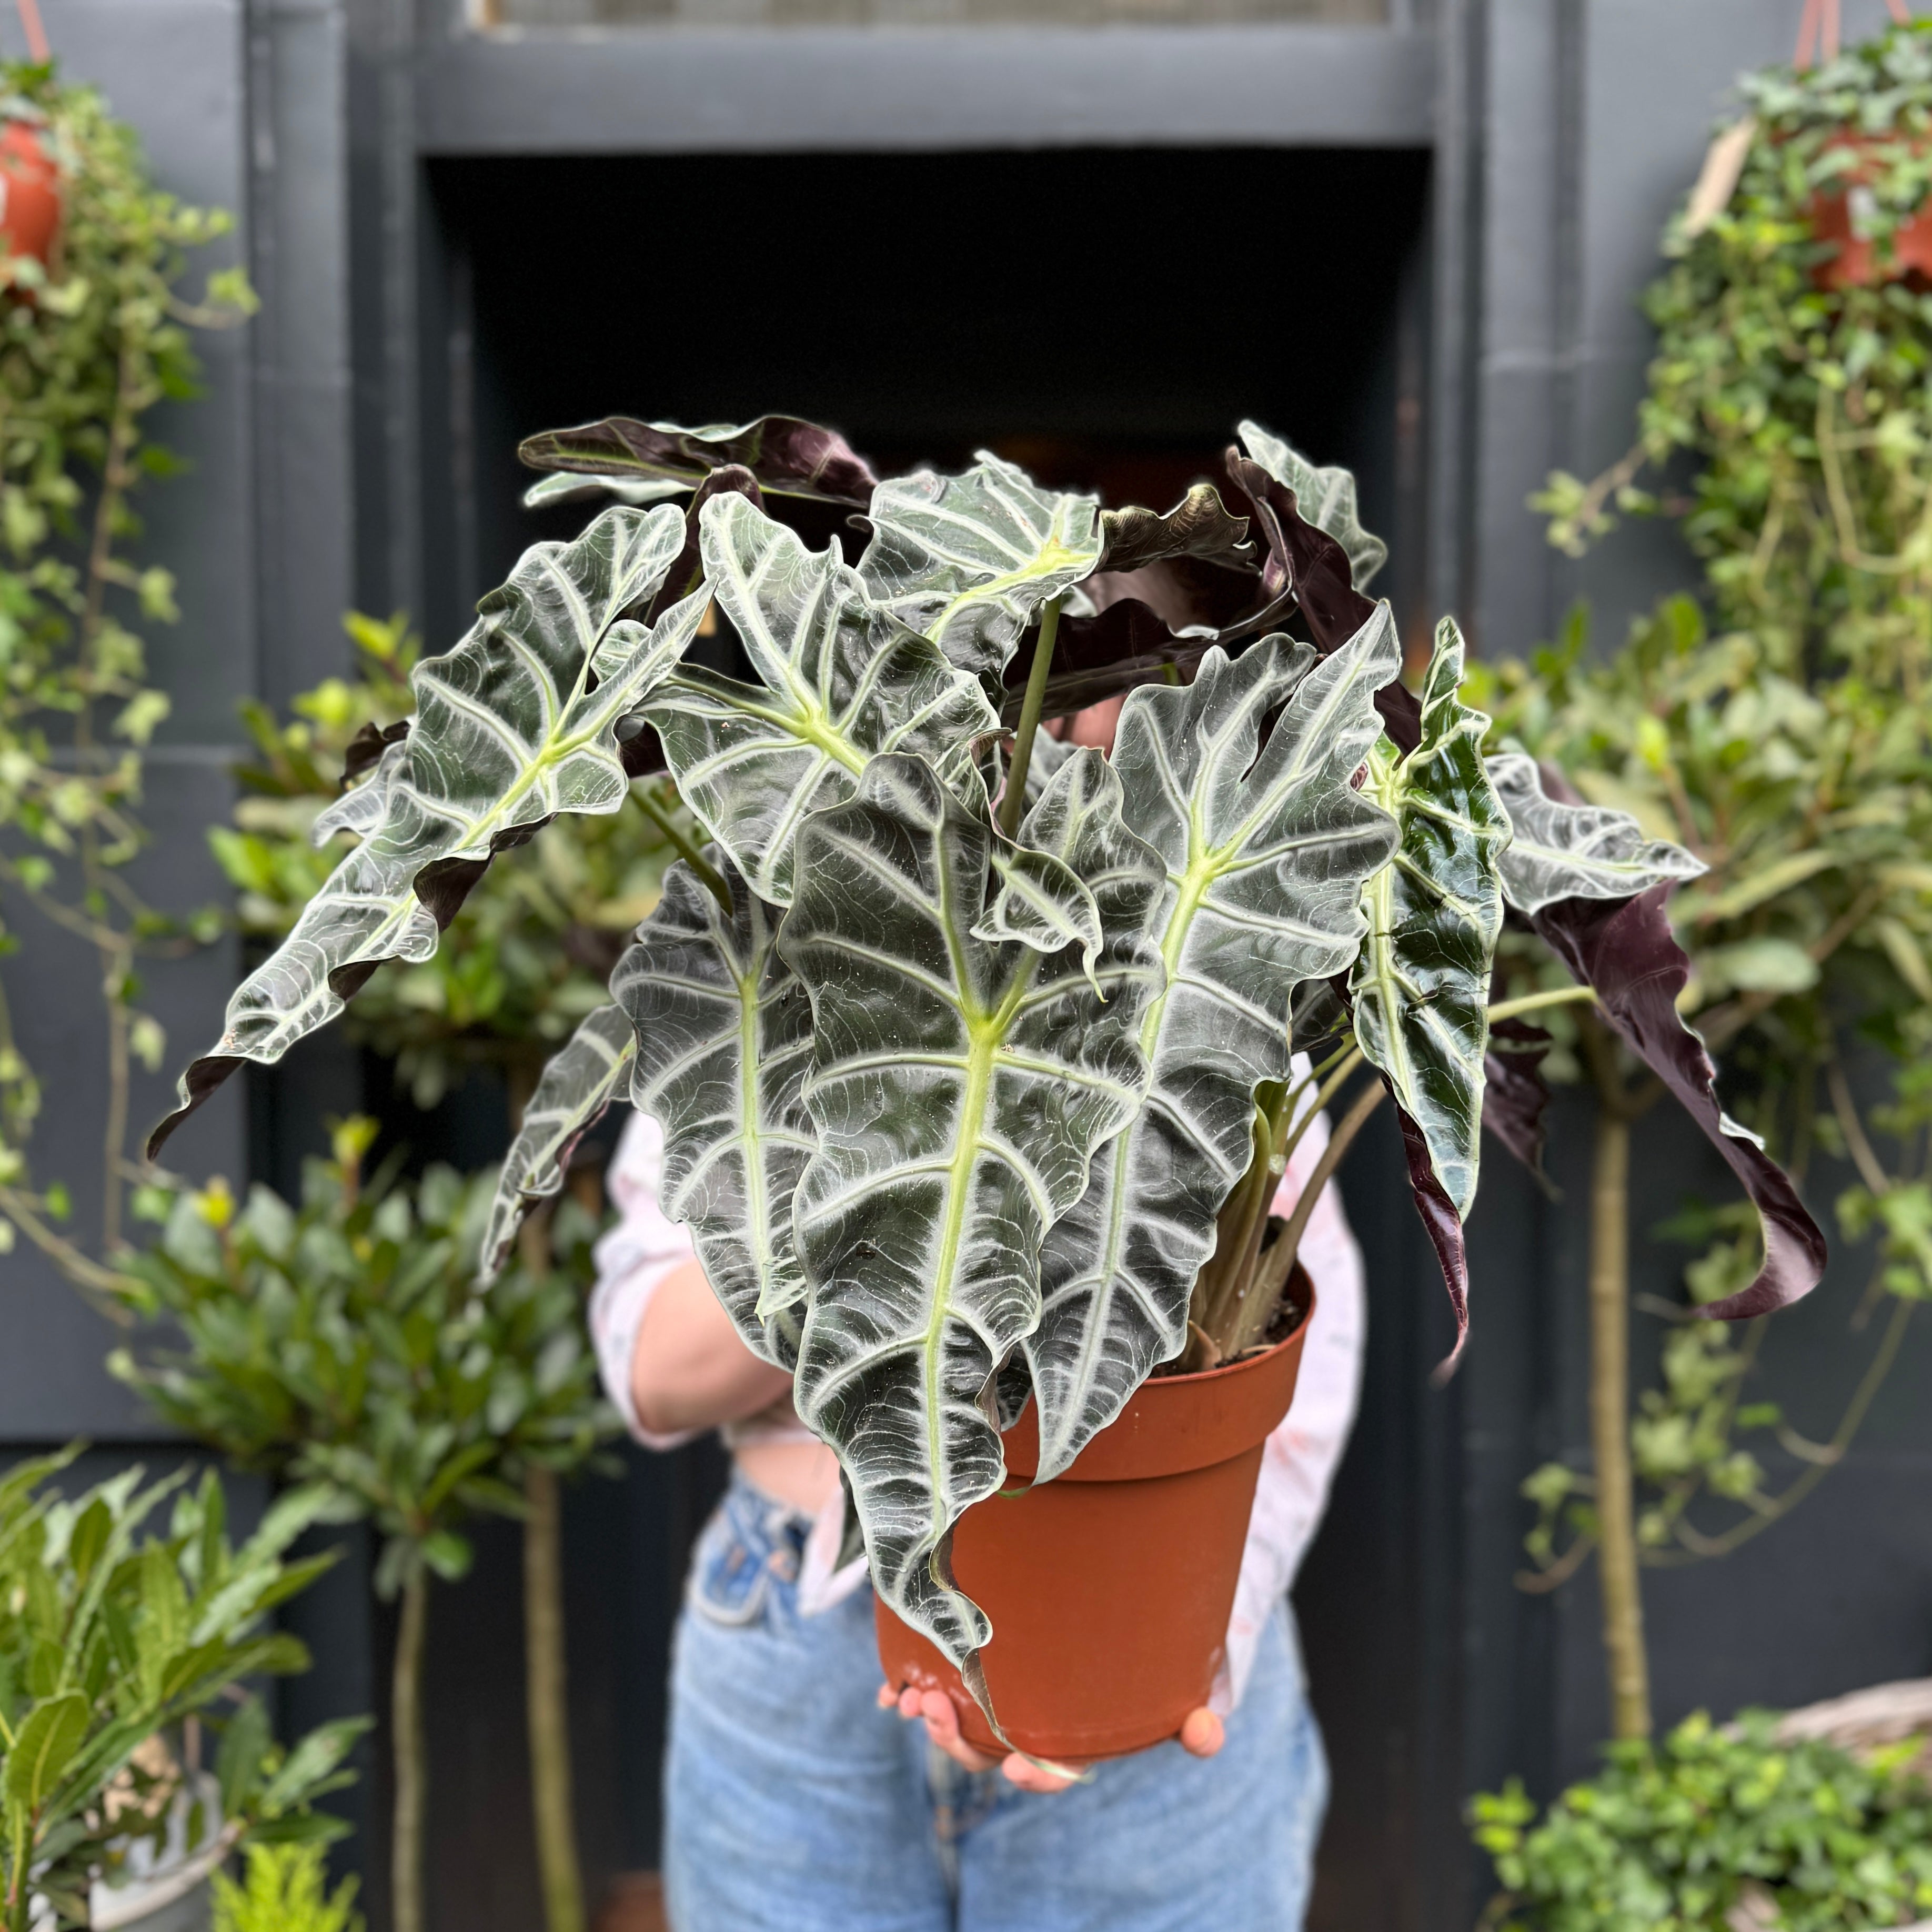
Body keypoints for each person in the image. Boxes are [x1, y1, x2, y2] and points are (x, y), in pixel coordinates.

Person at [588, 1076, 1366, 1932]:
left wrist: (1202, 1633)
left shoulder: (1197, 952)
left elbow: (1290, 1345)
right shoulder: (770, 956)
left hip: (1144, 1644)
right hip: (799, 1659)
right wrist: (908, 1175)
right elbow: (653, 1368)